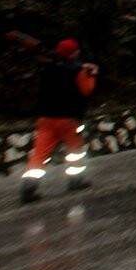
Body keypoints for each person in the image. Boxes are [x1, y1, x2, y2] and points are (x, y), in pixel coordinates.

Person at [20, 38, 97, 204]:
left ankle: (28, 188)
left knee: (39, 154)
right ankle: (76, 181)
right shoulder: (78, 70)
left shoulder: (47, 68)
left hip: (45, 118)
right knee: (75, 151)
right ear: (74, 53)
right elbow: (86, 90)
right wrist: (92, 75)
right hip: (68, 119)